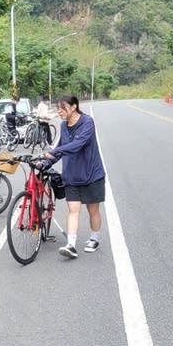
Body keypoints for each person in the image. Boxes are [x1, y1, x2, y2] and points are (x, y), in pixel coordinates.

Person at [43, 94, 106, 259]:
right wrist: (46, 162)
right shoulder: (64, 126)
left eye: (62, 108)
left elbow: (77, 145)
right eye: (58, 109)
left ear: (73, 106)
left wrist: (55, 151)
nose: (59, 112)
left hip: (91, 174)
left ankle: (94, 238)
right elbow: (61, 147)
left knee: (93, 210)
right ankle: (71, 245)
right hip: (71, 176)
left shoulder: (87, 122)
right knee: (73, 209)